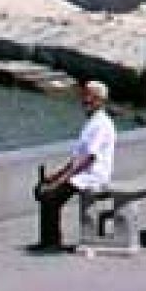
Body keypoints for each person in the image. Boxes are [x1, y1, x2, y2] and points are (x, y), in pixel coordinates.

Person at [31, 80, 116, 254]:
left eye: (89, 96)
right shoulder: (92, 122)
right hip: (82, 172)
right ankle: (48, 240)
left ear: (100, 100)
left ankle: (52, 242)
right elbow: (78, 158)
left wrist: (61, 180)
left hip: (93, 175)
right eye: (84, 95)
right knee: (44, 189)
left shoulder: (101, 124)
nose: (85, 100)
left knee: (50, 196)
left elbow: (89, 158)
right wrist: (55, 176)